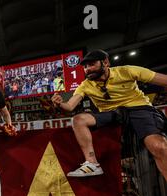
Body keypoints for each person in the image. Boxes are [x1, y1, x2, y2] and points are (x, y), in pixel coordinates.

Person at [51, 49, 167, 179]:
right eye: (85, 66)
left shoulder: (127, 71)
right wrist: (60, 104)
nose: (87, 69)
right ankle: (92, 164)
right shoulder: (85, 85)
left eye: (91, 64)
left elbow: (164, 80)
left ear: (105, 62)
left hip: (139, 109)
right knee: (78, 120)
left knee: (159, 146)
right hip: (112, 114)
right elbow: (70, 106)